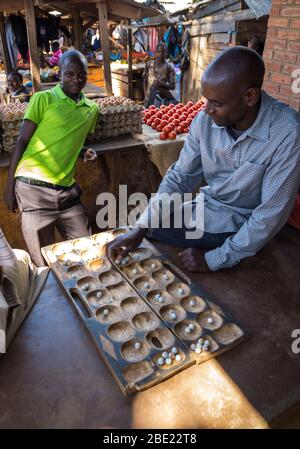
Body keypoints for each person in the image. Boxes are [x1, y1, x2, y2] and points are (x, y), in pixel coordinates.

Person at [107, 46, 300, 273]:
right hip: (206, 208)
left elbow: (269, 214)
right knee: (145, 225)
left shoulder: (287, 132)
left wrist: (214, 259)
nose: (206, 110)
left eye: (216, 104)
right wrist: (140, 228)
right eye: (206, 99)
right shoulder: (205, 122)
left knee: (162, 232)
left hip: (243, 223)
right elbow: (180, 178)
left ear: (250, 97)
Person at [4, 50, 99, 267]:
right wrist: (9, 187)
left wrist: (85, 152)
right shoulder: (43, 99)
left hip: (67, 194)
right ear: (60, 74)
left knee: (88, 253)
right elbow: (22, 141)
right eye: (69, 74)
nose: (76, 79)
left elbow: (70, 138)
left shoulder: (91, 109)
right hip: (33, 191)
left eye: (81, 74)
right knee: (45, 263)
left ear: (87, 75)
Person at [143, 42, 177, 108]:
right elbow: (145, 80)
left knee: (158, 115)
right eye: (159, 52)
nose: (161, 54)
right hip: (148, 98)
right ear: (155, 53)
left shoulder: (168, 67)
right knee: (147, 114)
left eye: (163, 52)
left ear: (166, 53)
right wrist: (145, 95)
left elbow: (172, 86)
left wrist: (161, 84)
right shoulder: (149, 64)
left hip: (161, 99)